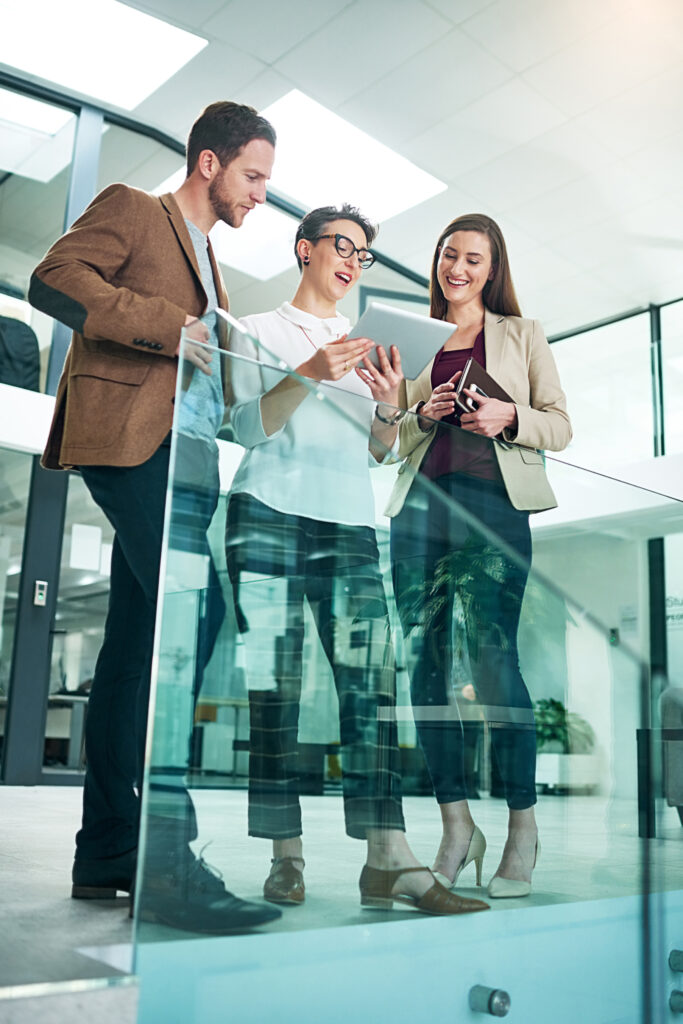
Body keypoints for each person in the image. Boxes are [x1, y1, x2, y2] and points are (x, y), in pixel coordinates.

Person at [28, 101, 281, 932]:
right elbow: (55, 278)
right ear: (209, 162)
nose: (259, 195)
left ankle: (105, 853)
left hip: (188, 459)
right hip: (131, 442)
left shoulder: (211, 261)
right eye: (253, 175)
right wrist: (174, 328)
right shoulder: (137, 209)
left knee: (139, 650)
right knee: (190, 618)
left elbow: (215, 368)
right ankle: (165, 855)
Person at [225, 204, 489, 917]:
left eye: (363, 253)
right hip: (266, 512)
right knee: (273, 693)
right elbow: (246, 427)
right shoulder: (256, 331)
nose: (352, 260)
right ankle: (285, 856)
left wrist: (382, 408)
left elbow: (378, 451)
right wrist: (309, 371)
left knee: (371, 690)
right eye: (342, 246)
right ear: (304, 249)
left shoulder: (369, 343)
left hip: (346, 522)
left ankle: (387, 858)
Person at [387, 213, 571, 898]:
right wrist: (419, 415)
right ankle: (456, 825)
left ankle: (522, 826)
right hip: (419, 515)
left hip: (493, 509)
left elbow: (560, 422)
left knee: (493, 663)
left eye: (472, 258)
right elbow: (387, 439)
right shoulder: (415, 341)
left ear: (491, 269)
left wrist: (508, 418)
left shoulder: (520, 335)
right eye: (447, 255)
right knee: (425, 667)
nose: (457, 268)